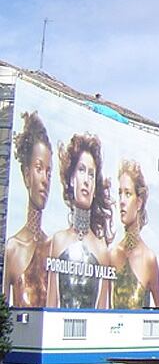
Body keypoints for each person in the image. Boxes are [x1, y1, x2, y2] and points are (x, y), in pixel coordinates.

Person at [47, 133, 114, 309]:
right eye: (82, 170)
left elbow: (102, 309)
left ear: (95, 187)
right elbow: (50, 304)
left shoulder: (101, 249)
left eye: (91, 174)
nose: (86, 180)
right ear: (71, 179)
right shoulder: (58, 241)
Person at [4, 111, 52, 307]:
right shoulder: (13, 248)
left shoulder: (51, 247)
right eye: (39, 168)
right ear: (26, 174)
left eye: (49, 172)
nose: (44, 180)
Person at [109, 160, 159, 308]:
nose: (121, 201)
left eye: (127, 194)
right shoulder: (113, 254)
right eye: (120, 193)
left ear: (139, 203)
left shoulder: (149, 259)